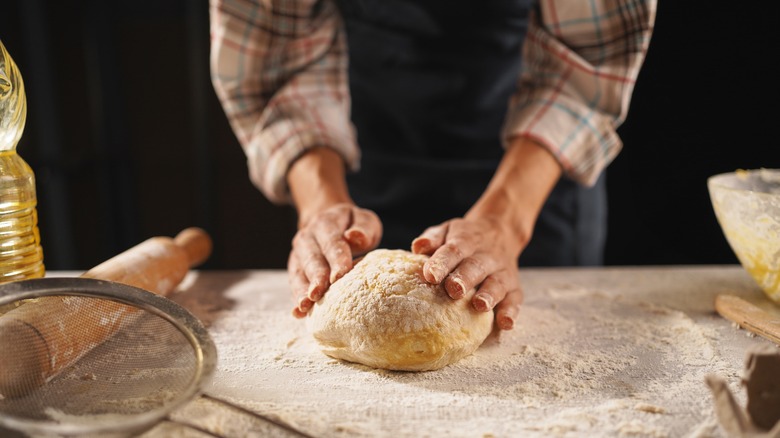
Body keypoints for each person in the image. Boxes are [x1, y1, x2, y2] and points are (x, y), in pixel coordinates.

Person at [209, 0, 657, 330]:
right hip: (366, 140)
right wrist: (321, 203)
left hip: (537, 167)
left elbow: (588, 63)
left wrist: (506, 222)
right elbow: (277, 58)